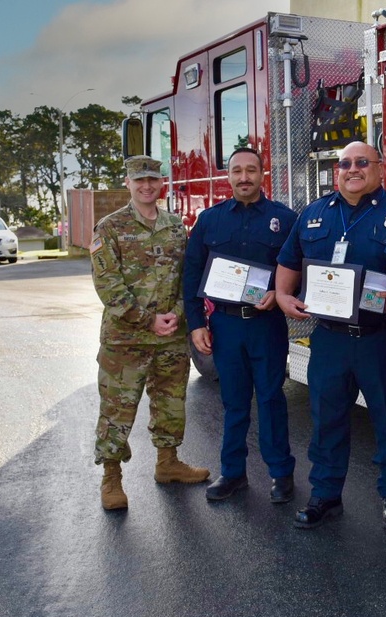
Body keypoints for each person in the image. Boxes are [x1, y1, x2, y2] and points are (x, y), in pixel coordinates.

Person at [275, 141, 386, 530]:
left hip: (380, 337)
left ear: (380, 168)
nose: (352, 169)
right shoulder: (314, 213)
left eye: (362, 162)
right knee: (327, 419)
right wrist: (284, 296)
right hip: (330, 339)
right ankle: (325, 494)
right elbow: (288, 261)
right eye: (344, 163)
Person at [90, 155, 210, 511]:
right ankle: (111, 477)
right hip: (125, 338)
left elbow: (188, 276)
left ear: (161, 184)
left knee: (171, 401)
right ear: (127, 183)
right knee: (117, 409)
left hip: (171, 335)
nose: (146, 186)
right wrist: (147, 320)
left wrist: (175, 314)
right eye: (139, 180)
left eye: (153, 180)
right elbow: (107, 285)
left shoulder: (176, 226)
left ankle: (168, 462)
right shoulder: (109, 227)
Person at [183, 147, 297, 503]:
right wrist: (196, 323)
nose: (244, 177)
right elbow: (191, 274)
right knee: (233, 403)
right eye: (237, 171)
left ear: (262, 174)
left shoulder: (284, 219)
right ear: (228, 176)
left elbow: (299, 269)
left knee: (271, 398)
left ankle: (281, 474)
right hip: (226, 325)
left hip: (267, 325)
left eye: (251, 170)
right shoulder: (210, 220)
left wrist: (279, 295)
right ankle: (232, 474)